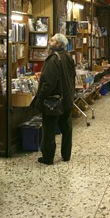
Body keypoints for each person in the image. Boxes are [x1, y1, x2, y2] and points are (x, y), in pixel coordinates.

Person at [33, 33, 76, 165]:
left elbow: (48, 83)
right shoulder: (68, 57)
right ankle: (66, 154)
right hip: (67, 98)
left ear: (58, 44)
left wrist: (40, 98)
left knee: (49, 129)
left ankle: (48, 157)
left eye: (51, 40)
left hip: (54, 101)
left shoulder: (53, 59)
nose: (49, 42)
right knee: (66, 128)